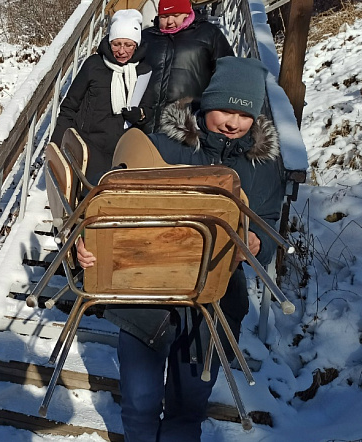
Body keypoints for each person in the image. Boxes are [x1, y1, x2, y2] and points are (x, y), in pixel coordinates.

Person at [76, 57, 283, 442]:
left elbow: (268, 221)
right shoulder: (161, 146)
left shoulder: (263, 166)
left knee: (188, 408)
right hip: (143, 294)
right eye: (224, 108)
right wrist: (86, 245)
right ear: (206, 103)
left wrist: (257, 242)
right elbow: (107, 204)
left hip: (213, 302)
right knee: (139, 401)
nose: (232, 122)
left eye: (244, 113)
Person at [50, 8, 154, 185]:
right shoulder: (93, 65)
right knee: (91, 192)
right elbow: (70, 106)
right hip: (91, 143)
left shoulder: (144, 70)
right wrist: (56, 145)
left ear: (136, 45)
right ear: (109, 41)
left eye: (128, 45)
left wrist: (140, 115)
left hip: (125, 146)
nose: (121, 51)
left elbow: (150, 110)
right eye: (116, 44)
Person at [139, 0, 234, 133]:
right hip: (146, 122)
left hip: (189, 122)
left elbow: (228, 74)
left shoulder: (209, 33)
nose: (170, 21)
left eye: (176, 15)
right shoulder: (146, 37)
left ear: (187, 13)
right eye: (164, 17)